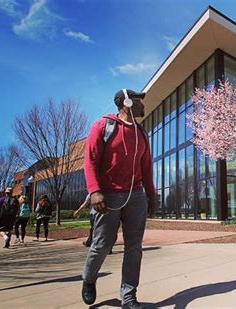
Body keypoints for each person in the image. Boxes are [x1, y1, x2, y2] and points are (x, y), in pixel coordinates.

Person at [81, 89, 155, 308]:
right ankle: (89, 279)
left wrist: (151, 194)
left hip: (136, 196)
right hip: (108, 196)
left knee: (134, 248)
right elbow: (91, 160)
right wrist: (95, 190)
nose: (143, 106)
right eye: (139, 102)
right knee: (103, 244)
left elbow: (146, 166)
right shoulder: (102, 126)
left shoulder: (141, 133)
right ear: (128, 104)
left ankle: (128, 296)